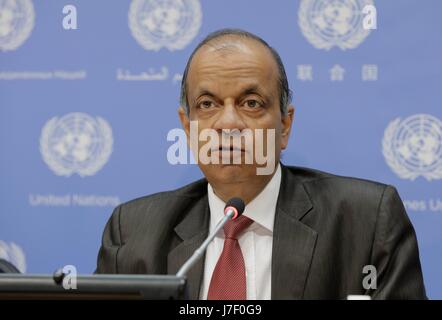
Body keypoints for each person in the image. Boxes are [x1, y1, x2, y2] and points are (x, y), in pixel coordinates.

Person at [95, 29, 426, 300]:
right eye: (207, 104)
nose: (228, 123)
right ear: (187, 127)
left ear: (285, 126)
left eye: (250, 103)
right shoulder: (133, 234)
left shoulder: (366, 222)